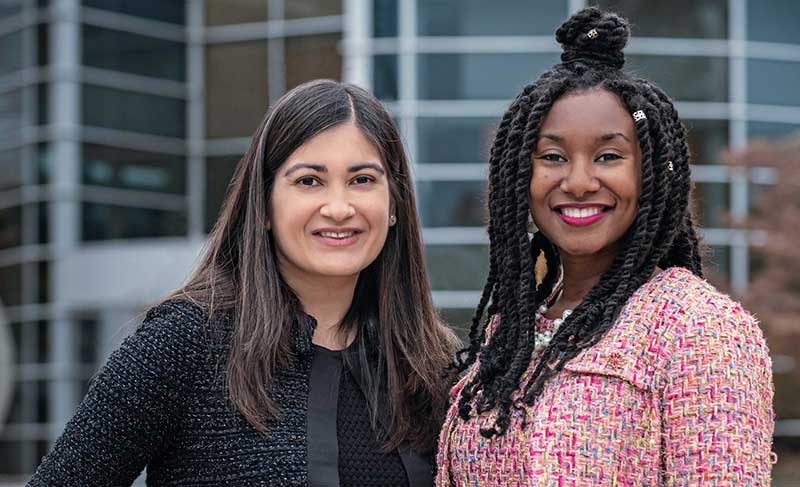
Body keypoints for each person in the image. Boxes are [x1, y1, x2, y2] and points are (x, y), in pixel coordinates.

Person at [29, 79, 458, 486]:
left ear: (395, 204)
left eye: (362, 180)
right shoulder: (186, 341)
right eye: (309, 181)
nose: (339, 207)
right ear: (264, 206)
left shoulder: (433, 361)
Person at [436, 8, 774, 486]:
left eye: (609, 156)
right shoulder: (507, 331)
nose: (577, 181)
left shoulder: (698, 329)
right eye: (552, 157)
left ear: (651, 172)